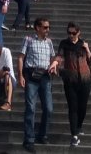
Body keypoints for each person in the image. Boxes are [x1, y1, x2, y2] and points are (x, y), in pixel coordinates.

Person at [17, 17, 57, 153]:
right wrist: (20, 75)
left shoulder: (49, 42)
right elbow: (21, 57)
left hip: (45, 76)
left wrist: (53, 66)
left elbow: (53, 57)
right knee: (30, 108)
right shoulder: (28, 39)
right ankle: (29, 139)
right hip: (31, 75)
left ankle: (42, 135)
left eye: (48, 27)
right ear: (37, 28)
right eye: (45, 27)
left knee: (49, 108)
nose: (48, 30)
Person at [53, 21, 91, 148]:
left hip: (85, 79)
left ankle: (79, 126)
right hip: (70, 79)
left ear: (78, 33)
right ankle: (74, 135)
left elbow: (90, 59)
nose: (71, 35)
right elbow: (59, 56)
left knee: (83, 107)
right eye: (69, 33)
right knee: (73, 107)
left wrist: (87, 48)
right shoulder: (64, 44)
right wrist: (55, 63)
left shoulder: (83, 43)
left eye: (73, 33)